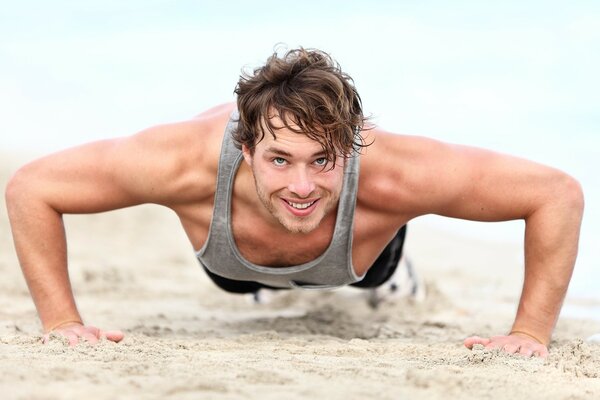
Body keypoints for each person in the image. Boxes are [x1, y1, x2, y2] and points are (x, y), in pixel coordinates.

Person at [5, 47, 583, 357]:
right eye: (280, 160)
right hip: (232, 266)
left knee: (370, 276)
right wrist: (62, 324)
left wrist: (530, 334)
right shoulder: (180, 162)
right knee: (239, 284)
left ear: (350, 147)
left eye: (323, 160)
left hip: (358, 260)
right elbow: (33, 188)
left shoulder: (397, 173)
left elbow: (555, 194)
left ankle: (393, 271)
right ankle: (264, 281)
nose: (303, 186)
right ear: (246, 146)